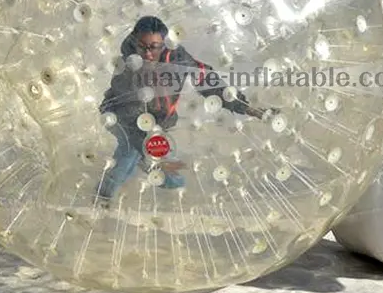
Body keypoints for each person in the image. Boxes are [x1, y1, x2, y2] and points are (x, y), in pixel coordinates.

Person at [96, 15, 268, 205]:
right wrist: (148, 150)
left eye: (154, 47)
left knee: (172, 178)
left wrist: (245, 107)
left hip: (157, 124)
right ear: (135, 42)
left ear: (163, 43)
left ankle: (171, 189)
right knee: (126, 158)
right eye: (142, 46)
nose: (148, 53)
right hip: (120, 118)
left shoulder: (178, 59)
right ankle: (101, 198)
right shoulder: (126, 67)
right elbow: (127, 112)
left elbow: (208, 82)